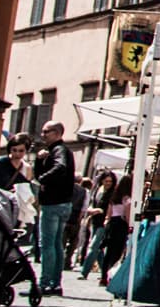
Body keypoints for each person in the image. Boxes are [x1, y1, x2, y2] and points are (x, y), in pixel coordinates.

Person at [33, 120, 76, 296]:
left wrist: (43, 179)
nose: (42, 135)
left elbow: (60, 167)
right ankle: (55, 283)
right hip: (64, 203)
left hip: (53, 203)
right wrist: (39, 161)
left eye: (46, 132)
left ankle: (46, 282)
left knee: (48, 244)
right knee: (57, 244)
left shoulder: (58, 150)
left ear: (57, 133)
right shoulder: (57, 151)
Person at [78, 172, 118, 280]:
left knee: (94, 246)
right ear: (102, 181)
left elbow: (110, 208)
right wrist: (92, 210)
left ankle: (84, 272)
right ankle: (105, 273)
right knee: (99, 249)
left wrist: (102, 213)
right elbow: (92, 203)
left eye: (110, 181)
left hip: (104, 223)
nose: (108, 183)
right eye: (106, 181)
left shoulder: (113, 193)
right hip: (95, 221)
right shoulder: (98, 190)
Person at [98, 176, 133, 287]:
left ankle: (103, 277)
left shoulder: (114, 198)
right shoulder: (127, 199)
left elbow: (109, 213)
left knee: (108, 252)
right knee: (117, 252)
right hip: (121, 224)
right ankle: (112, 276)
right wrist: (130, 225)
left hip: (112, 223)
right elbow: (127, 215)